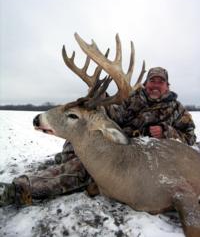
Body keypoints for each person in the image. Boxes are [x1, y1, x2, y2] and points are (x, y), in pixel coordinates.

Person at [0, 67, 197, 207]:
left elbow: (190, 140)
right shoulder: (132, 101)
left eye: (160, 82)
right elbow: (114, 115)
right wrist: (94, 107)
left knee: (80, 171)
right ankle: (20, 186)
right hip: (118, 150)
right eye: (152, 81)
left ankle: (23, 189)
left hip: (148, 162)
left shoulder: (178, 110)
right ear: (145, 84)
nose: (156, 85)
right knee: (82, 158)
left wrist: (166, 132)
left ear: (167, 86)